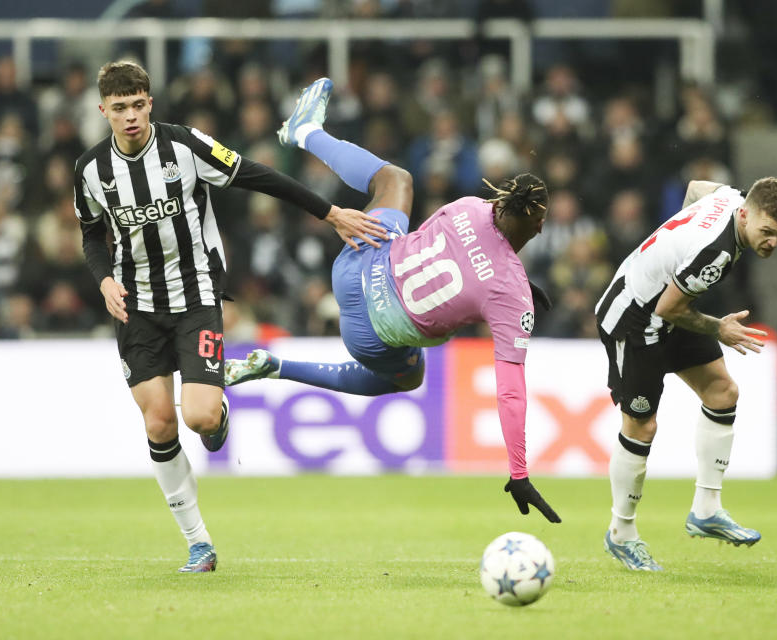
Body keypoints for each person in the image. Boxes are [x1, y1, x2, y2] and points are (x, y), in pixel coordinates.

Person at [74, 61, 386, 573]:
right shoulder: (91, 171)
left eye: (138, 105)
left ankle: (216, 417)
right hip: (137, 306)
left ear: (150, 103)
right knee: (157, 420)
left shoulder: (186, 147)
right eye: (119, 108)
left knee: (197, 417)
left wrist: (330, 213)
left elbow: (259, 176)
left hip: (196, 296)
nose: (130, 116)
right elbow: (90, 233)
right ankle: (198, 543)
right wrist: (105, 279)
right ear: (103, 110)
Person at [225, 78, 561, 524]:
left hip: (357, 263)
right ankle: (277, 367)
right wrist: (518, 472)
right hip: (370, 332)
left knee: (395, 179)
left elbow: (462, 256)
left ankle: (307, 132)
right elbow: (510, 390)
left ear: (500, 201)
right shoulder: (510, 293)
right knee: (409, 377)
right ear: (537, 229)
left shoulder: (469, 207)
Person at [594, 176, 777, 571]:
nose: (772, 242)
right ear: (745, 215)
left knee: (723, 393)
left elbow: (694, 187)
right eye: (767, 232)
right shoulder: (717, 252)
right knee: (642, 426)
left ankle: (706, 509)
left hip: (664, 311)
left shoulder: (730, 197)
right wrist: (720, 328)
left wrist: (679, 243)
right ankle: (621, 533)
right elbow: (669, 308)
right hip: (634, 318)